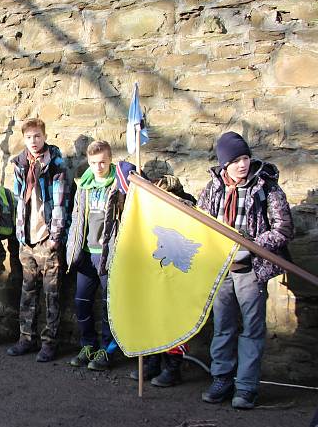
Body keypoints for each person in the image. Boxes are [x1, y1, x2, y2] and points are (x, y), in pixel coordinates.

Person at [197, 131, 293, 409]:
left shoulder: (267, 188)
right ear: (224, 163)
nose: (242, 164)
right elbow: (201, 224)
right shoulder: (213, 188)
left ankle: (246, 387)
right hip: (221, 269)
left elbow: (283, 229)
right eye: (236, 159)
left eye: (245, 158)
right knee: (223, 326)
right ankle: (221, 379)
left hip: (252, 269)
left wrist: (252, 245)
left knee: (252, 329)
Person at [7, 118, 68, 362]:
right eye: (29, 137)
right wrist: (20, 235)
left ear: (44, 137)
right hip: (27, 239)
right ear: (24, 139)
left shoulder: (55, 164)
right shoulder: (20, 164)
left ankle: (50, 342)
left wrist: (55, 236)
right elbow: (18, 200)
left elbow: (61, 201)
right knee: (27, 291)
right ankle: (26, 338)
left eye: (38, 136)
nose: (34, 141)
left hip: (47, 238)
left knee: (51, 292)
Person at [129, 174, 197, 386]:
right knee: (152, 316)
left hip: (177, 275)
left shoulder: (187, 211)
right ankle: (152, 360)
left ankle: (173, 366)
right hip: (156, 272)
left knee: (173, 321)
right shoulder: (153, 212)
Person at [65, 140, 125, 371]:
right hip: (87, 254)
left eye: (102, 162)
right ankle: (87, 345)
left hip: (108, 254)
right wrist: (73, 249)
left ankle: (107, 350)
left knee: (109, 306)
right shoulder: (84, 185)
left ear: (110, 160)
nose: (98, 167)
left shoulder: (119, 184)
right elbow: (76, 218)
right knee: (82, 303)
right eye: (93, 163)